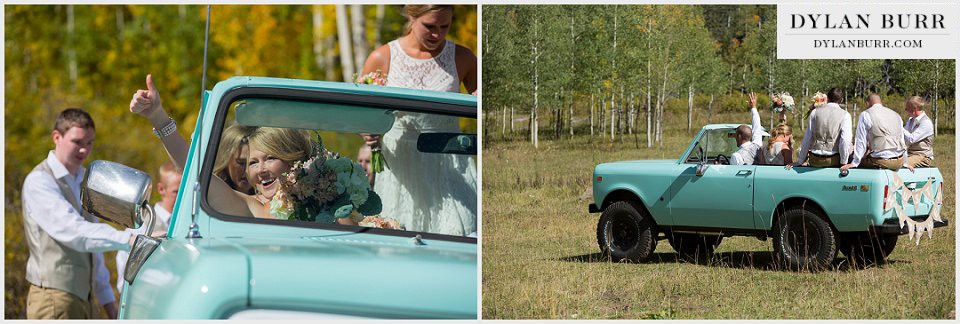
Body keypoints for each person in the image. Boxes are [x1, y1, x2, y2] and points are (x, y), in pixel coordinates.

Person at [129, 75, 355, 224]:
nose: (260, 170)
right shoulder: (252, 208)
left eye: (270, 158)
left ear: (294, 159)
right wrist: (158, 117)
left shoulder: (331, 200)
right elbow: (194, 173)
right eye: (253, 163)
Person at [357, 5, 478, 236]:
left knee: (461, 231)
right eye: (430, 26)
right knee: (400, 234)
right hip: (401, 166)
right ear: (412, 17)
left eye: (445, 26)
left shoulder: (462, 57)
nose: (438, 34)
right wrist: (368, 131)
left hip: (449, 164)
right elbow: (360, 113)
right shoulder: (382, 57)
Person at [21, 108, 137, 319]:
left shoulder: (85, 180)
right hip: (53, 300)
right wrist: (128, 239)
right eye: (77, 142)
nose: (84, 150)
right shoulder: (40, 181)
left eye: (89, 143)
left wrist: (109, 305)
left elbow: (94, 251)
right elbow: (74, 230)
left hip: (87, 301)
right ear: (57, 137)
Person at [115, 161, 181, 293]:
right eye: (176, 192)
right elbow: (124, 280)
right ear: (161, 189)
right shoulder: (142, 224)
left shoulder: (188, 225)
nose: (180, 198)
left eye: (185, 193)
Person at [841, 94, 906, 172]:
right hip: (899, 161)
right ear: (880, 102)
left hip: (881, 161)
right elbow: (902, 140)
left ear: (867, 103)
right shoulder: (897, 115)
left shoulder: (865, 114)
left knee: (850, 159)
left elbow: (861, 141)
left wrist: (854, 163)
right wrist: (905, 162)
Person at [794, 88, 853, 168]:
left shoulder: (815, 112)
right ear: (841, 100)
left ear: (827, 98)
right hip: (833, 160)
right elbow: (845, 141)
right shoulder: (845, 115)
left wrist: (800, 160)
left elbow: (808, 138)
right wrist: (843, 162)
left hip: (815, 160)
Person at [213, 123, 257, 195]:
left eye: (253, 163)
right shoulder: (210, 194)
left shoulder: (273, 196)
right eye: (241, 163)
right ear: (225, 160)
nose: (247, 171)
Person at [729, 92, 764, 165]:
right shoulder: (757, 145)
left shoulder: (736, 156)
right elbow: (757, 128)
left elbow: (733, 175)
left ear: (739, 136)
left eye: (735, 135)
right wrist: (753, 108)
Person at [902, 96, 934, 170]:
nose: (905, 110)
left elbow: (911, 139)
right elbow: (903, 136)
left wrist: (899, 127)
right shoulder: (911, 120)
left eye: (907, 108)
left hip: (923, 156)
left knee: (901, 164)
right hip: (910, 154)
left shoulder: (926, 122)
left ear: (914, 109)